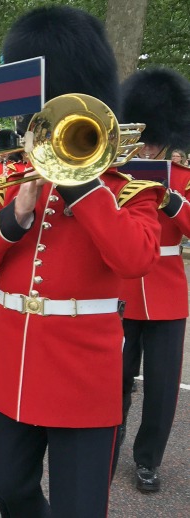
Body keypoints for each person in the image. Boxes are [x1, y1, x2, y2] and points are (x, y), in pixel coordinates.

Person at [0, 6, 163, 517]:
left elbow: (135, 258)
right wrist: (17, 212)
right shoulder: (14, 181)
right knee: (1, 480)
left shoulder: (129, 189)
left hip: (83, 374)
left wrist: (84, 186)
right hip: (12, 365)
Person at [117, 67, 190, 493]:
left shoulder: (181, 179)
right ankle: (111, 435)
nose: (146, 147)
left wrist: (171, 201)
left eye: (153, 139)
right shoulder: (118, 175)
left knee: (162, 388)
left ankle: (148, 459)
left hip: (165, 294)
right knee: (116, 377)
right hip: (123, 289)